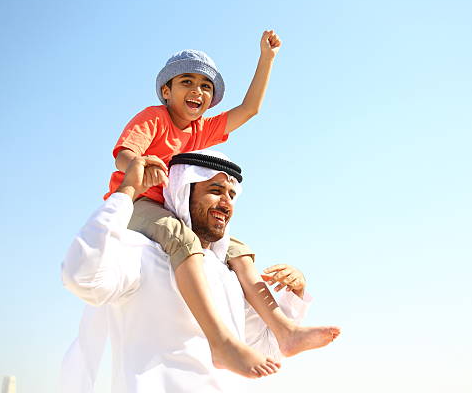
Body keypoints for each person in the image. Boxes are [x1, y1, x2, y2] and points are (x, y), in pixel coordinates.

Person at [102, 31, 338, 377]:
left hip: (172, 205)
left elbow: (250, 109)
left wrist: (266, 58)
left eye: (206, 86)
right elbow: (124, 154)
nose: (197, 91)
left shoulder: (200, 131)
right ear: (166, 91)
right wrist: (140, 167)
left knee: (236, 248)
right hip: (139, 202)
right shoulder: (154, 118)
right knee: (181, 238)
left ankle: (285, 331)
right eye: (187, 82)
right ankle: (222, 343)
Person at [61, 150, 336, 392]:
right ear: (183, 192)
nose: (226, 203)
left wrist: (295, 295)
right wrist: (126, 193)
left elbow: (265, 348)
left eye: (231, 195)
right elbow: (81, 276)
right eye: (215, 190)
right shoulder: (142, 252)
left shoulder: (227, 275)